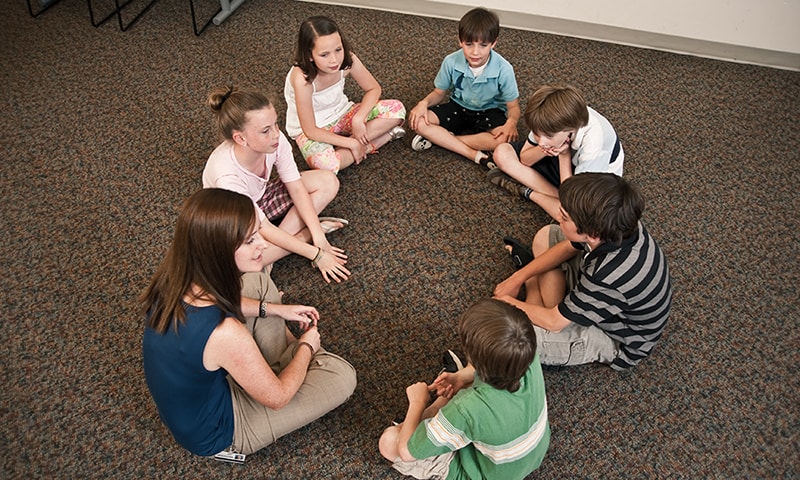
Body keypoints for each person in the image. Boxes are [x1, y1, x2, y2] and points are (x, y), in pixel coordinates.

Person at [141, 188, 357, 461]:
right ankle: (288, 362)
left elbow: (218, 302)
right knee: (341, 376)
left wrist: (276, 309)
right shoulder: (225, 333)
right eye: (250, 240)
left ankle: (276, 365)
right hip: (221, 430)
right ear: (220, 251)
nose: (263, 245)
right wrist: (306, 347)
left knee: (256, 283)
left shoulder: (174, 277)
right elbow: (277, 398)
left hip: (194, 399)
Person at [494, 173, 672, 370]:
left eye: (565, 217)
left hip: (615, 340)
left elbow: (553, 322)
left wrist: (506, 302)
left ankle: (542, 298)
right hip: (598, 291)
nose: (558, 218)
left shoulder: (608, 276)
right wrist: (519, 277)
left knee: (514, 340)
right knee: (547, 235)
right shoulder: (620, 223)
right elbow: (570, 247)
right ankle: (546, 299)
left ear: (593, 235)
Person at [379, 299, 550, 480]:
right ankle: (441, 409)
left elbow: (406, 452)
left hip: (483, 474)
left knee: (389, 442)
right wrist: (461, 377)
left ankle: (433, 412)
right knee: (461, 407)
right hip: (530, 454)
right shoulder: (527, 353)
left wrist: (417, 402)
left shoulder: (468, 407)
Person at [203, 86, 350, 283]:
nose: (275, 134)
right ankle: (298, 238)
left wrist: (320, 238)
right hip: (233, 218)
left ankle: (274, 252)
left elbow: (296, 188)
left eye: (276, 124)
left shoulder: (276, 140)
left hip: (260, 198)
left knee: (328, 181)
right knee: (235, 265)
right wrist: (316, 253)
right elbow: (262, 227)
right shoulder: (227, 176)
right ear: (240, 138)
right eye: (265, 130)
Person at [285, 15, 406, 174]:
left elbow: (373, 89)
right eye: (324, 55)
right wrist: (352, 143)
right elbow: (310, 130)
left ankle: (350, 147)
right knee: (326, 166)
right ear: (309, 55)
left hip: (342, 113)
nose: (334, 60)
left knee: (397, 109)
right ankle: (376, 142)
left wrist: (359, 118)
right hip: (312, 127)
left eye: (338, 50)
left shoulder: (348, 60)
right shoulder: (302, 79)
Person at [488, 84, 625, 219]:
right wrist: (545, 149)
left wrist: (564, 156)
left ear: (570, 129)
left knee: (573, 215)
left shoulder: (594, 144)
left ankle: (528, 192)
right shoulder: (547, 121)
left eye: (548, 136)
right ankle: (554, 198)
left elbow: (573, 197)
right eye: (536, 134)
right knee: (501, 152)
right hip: (560, 156)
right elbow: (525, 159)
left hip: (592, 181)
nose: (541, 142)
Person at [408, 7, 520, 168]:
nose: (475, 52)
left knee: (504, 140)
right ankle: (473, 154)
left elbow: (513, 106)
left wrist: (511, 122)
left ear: (493, 43)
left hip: (490, 111)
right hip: (458, 107)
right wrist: (423, 103)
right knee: (418, 121)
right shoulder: (450, 61)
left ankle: (442, 140)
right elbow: (439, 92)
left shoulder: (504, 69)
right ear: (460, 41)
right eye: (469, 44)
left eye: (483, 45)